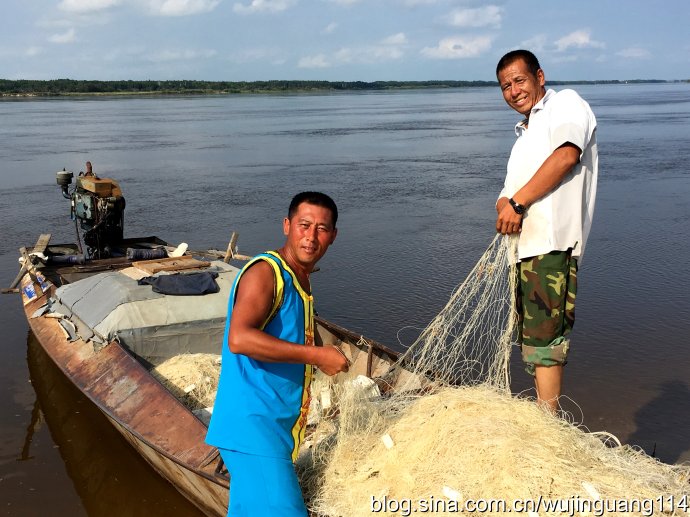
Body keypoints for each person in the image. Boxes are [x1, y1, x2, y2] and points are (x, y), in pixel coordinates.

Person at [206, 192, 349, 516]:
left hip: (274, 431)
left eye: (322, 229)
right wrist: (317, 356)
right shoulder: (267, 273)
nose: (311, 237)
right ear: (287, 225)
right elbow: (239, 339)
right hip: (253, 430)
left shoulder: (300, 279)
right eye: (304, 225)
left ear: (333, 236)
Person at [494, 50, 598, 412]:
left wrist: (518, 205)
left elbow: (567, 155)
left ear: (540, 76)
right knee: (532, 340)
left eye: (519, 80)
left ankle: (548, 424)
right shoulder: (524, 135)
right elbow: (505, 194)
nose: (513, 91)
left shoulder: (565, 104)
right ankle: (543, 412)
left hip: (552, 246)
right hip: (524, 250)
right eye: (505, 86)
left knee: (546, 342)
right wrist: (506, 206)